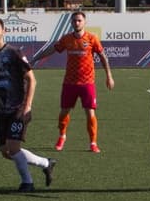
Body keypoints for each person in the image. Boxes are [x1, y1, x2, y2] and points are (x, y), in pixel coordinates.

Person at [0, 15, 56, 192]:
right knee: (6, 152)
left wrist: (27, 106)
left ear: (3, 31)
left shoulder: (14, 53)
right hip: (0, 109)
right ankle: (45, 163)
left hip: (17, 107)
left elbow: (31, 80)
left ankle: (27, 183)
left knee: (13, 148)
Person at [44, 9, 115, 152]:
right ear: (71, 22)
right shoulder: (66, 39)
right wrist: (35, 59)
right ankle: (62, 136)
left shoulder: (92, 38)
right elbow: (53, 49)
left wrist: (109, 76)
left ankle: (93, 143)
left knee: (90, 113)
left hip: (87, 83)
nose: (76, 23)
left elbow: (103, 57)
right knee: (64, 112)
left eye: (79, 20)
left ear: (84, 22)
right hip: (69, 83)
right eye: (74, 20)